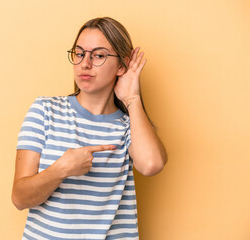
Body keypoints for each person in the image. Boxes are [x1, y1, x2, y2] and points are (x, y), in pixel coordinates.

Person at [12, 17, 167, 239]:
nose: (85, 63)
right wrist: (61, 169)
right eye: (79, 53)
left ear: (121, 66)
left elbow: (152, 164)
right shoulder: (45, 111)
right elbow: (19, 198)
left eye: (99, 55)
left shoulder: (128, 126)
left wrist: (132, 98)